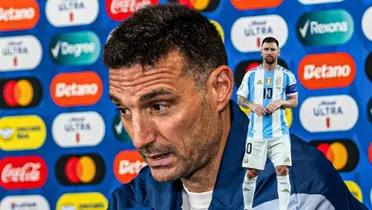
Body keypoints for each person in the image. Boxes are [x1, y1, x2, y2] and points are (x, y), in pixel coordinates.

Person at [104, 4, 367, 210]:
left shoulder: (296, 193)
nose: (139, 137)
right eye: (124, 111)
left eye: (159, 106)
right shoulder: (129, 200)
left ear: (220, 88)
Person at [237, 36, 297, 210]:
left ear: (278, 52)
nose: (269, 52)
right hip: (256, 134)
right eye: (266, 49)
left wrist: (280, 103)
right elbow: (240, 98)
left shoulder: (287, 75)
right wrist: (252, 105)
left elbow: (294, 101)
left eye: (272, 49)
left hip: (280, 133)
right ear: (261, 51)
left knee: (283, 170)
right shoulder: (251, 75)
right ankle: (248, 207)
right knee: (251, 172)